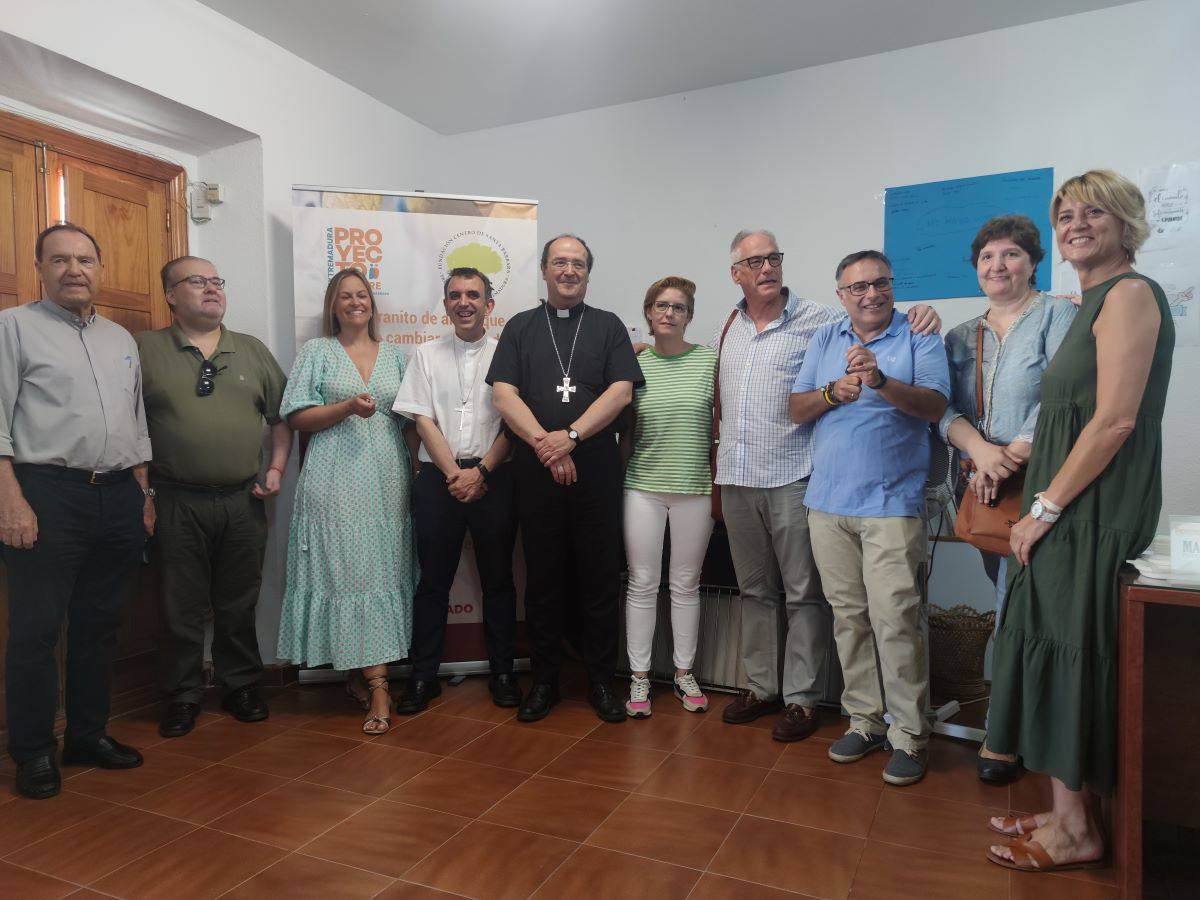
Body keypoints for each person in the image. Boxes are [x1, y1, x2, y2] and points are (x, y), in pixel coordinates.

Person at [985, 170, 1174, 873]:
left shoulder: (1128, 295)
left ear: (1126, 223)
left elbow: (1116, 420)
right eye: (1065, 215)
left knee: (1070, 653)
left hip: (1092, 508)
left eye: (1095, 212)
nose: (1077, 224)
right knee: (1057, 645)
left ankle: (1077, 833)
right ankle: (1069, 810)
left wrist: (1044, 507)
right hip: (1076, 505)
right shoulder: (1094, 300)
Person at [716, 229, 940, 743]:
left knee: (818, 600)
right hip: (748, 478)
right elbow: (755, 403)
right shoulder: (730, 326)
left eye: (774, 257)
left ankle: (810, 702)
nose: (767, 267)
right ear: (737, 273)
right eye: (755, 261)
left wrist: (923, 315)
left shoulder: (822, 320)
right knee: (771, 596)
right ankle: (769, 690)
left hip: (801, 478)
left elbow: (929, 399)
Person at [0, 224, 152, 799]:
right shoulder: (12, 329)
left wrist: (144, 497)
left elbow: (135, 424)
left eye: (85, 259)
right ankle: (34, 750)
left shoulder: (120, 339)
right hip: (44, 491)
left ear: (101, 269)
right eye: (60, 259)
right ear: (39, 267)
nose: (74, 269)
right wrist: (9, 501)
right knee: (37, 631)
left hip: (118, 494)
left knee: (100, 626)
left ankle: (88, 735)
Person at [790, 250, 950, 785]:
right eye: (857, 287)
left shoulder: (919, 335)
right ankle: (864, 721)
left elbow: (933, 407)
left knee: (897, 621)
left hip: (892, 505)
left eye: (879, 283)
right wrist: (833, 392)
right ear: (841, 295)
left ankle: (909, 733)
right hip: (827, 503)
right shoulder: (824, 339)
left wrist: (879, 380)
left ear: (891, 286)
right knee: (849, 619)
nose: (870, 294)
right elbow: (796, 409)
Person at [939, 216, 1076, 784]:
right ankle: (1015, 723)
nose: (999, 265)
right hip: (977, 486)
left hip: (1039, 483)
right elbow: (940, 408)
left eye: (1011, 255)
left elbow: (1064, 396)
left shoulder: (1058, 315)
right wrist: (978, 456)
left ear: (1032, 262)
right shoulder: (958, 334)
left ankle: (1005, 731)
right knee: (1007, 601)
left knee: (1015, 609)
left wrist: (1011, 453)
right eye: (988, 256)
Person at [487, 234, 643, 723]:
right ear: (544, 270)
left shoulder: (608, 326)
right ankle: (545, 682)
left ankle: (600, 681)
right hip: (536, 471)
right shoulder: (520, 327)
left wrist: (570, 436)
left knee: (599, 579)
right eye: (560, 262)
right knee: (543, 581)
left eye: (577, 263)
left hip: (595, 469)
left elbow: (620, 392)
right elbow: (504, 397)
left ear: (588, 273)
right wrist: (546, 444)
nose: (568, 271)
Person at [137, 256, 291, 738]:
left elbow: (281, 419)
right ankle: (182, 694)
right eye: (197, 282)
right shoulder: (143, 350)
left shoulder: (251, 350)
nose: (211, 289)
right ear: (170, 294)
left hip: (243, 500)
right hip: (175, 500)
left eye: (216, 281)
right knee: (180, 605)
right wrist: (142, 494)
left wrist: (276, 467)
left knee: (238, 601)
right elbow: (126, 426)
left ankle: (240, 684)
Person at [276, 268, 417, 735]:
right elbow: (296, 417)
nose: (355, 302)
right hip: (333, 480)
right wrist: (344, 408)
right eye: (345, 297)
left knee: (380, 570)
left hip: (388, 480)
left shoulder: (396, 356)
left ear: (372, 304)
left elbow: (413, 421)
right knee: (345, 572)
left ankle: (362, 674)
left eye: (362, 295)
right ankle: (378, 685)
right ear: (333, 306)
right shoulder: (316, 352)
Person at [392, 267, 519, 713]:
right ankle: (423, 677)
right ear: (445, 303)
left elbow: (514, 425)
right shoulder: (425, 355)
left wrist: (481, 472)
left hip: (495, 478)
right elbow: (422, 420)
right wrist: (455, 475)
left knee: (499, 580)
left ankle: (503, 672)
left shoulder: (510, 355)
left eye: (473, 294)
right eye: (454, 295)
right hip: (438, 480)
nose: (463, 302)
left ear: (489, 304)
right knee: (432, 583)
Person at [619, 276, 717, 717]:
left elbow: (724, 425)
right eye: (660, 305)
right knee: (641, 583)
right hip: (642, 487)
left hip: (695, 489)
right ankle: (639, 679)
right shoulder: (634, 365)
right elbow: (625, 431)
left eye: (678, 307)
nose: (669, 313)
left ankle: (683, 674)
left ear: (689, 315)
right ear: (648, 313)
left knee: (685, 585)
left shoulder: (710, 362)